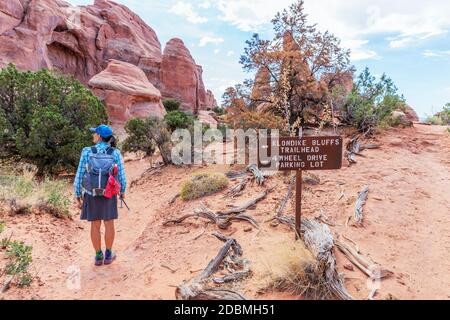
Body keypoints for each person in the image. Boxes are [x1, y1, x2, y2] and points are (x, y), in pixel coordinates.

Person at [74, 125, 126, 266]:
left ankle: (98, 256)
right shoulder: (114, 153)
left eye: (94, 133)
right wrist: (122, 192)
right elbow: (121, 174)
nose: (93, 136)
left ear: (99, 136)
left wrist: (77, 194)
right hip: (108, 193)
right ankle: (108, 254)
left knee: (95, 225)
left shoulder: (87, 151)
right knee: (109, 223)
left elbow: (79, 173)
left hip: (91, 193)